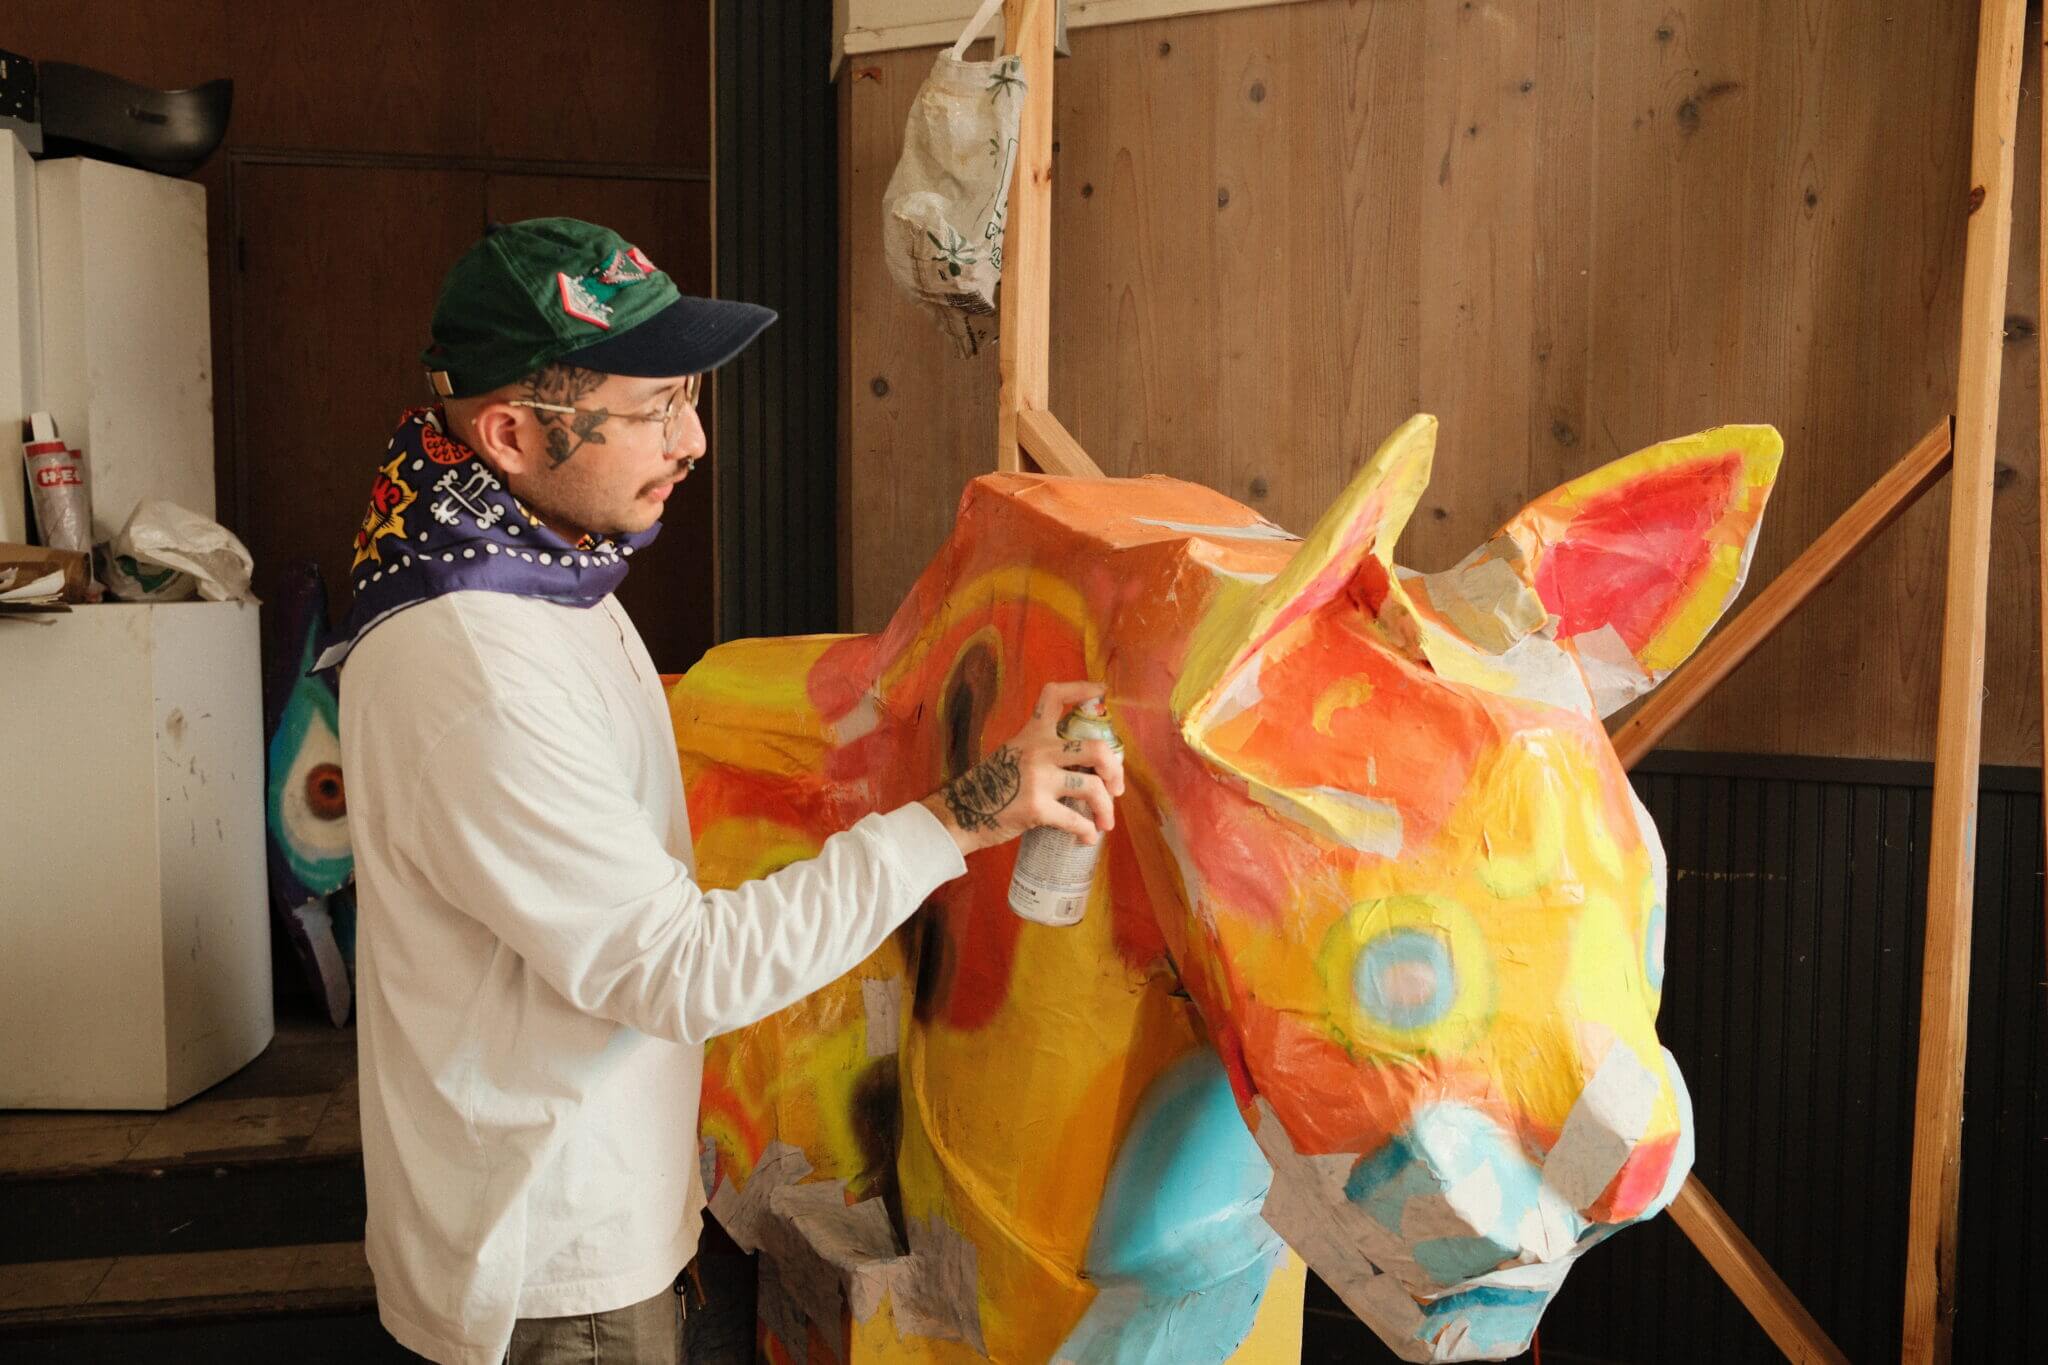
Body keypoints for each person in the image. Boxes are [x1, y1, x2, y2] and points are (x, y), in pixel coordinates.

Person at [327, 218, 1124, 1365]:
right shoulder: (479, 658)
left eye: (688, 397)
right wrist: (962, 815)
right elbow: (675, 969)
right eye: (651, 409)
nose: (693, 439)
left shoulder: (535, 566)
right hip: (552, 1272)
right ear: (509, 431)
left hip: (591, 1202)